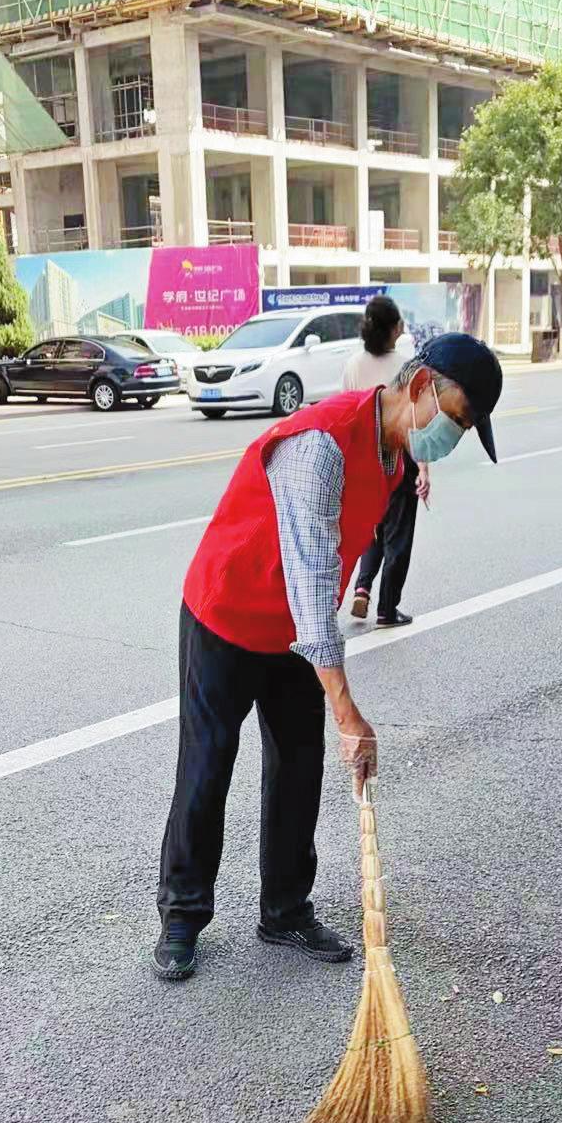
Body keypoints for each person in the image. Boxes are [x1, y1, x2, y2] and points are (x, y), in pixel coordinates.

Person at [154, 333, 503, 982]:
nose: (452, 437)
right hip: (227, 611)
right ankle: (182, 916)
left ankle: (285, 909)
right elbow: (314, 583)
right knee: (206, 766)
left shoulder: (393, 451)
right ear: (420, 387)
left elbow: (327, 579)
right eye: (456, 419)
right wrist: (348, 712)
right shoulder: (319, 445)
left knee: (299, 767)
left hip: (294, 631)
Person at [343, 297, 428, 629]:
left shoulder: (353, 366)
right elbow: (416, 423)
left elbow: (348, 414)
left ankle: (363, 586)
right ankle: (387, 609)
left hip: (366, 457)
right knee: (398, 535)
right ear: (395, 328)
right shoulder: (408, 367)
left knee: (373, 526)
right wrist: (424, 468)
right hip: (399, 456)